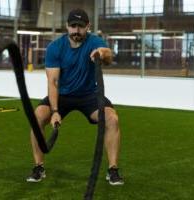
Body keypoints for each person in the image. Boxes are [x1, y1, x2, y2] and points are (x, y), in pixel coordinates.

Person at [26, 8, 124, 186]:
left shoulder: (95, 41)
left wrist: (102, 53)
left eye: (80, 26)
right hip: (62, 95)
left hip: (89, 95)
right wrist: (55, 111)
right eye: (73, 26)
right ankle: (38, 167)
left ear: (88, 26)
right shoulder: (56, 48)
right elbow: (53, 82)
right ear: (67, 26)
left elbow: (108, 56)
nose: (76, 30)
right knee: (38, 116)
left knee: (112, 119)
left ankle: (113, 169)